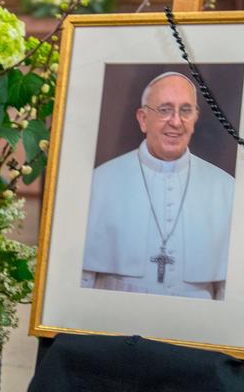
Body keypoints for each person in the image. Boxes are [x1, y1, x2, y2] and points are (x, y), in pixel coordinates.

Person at [81, 72, 235, 300]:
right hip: (115, 320)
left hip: (194, 325)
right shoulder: (100, 181)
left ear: (195, 118)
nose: (176, 121)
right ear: (143, 119)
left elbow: (228, 292)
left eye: (185, 110)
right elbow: (80, 283)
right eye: (164, 110)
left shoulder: (225, 189)